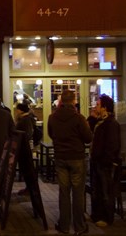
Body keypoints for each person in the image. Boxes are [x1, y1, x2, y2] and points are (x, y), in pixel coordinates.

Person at [48, 90, 93, 235]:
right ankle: (79, 226)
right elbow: (88, 138)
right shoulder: (79, 118)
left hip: (60, 157)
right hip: (77, 157)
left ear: (61, 101)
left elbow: (51, 134)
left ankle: (64, 225)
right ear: (74, 101)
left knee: (64, 192)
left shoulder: (52, 118)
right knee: (78, 193)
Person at [90, 94, 121, 228]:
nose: (95, 106)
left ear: (104, 108)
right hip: (97, 160)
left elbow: (112, 144)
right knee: (98, 190)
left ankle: (107, 217)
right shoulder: (100, 121)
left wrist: (107, 160)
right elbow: (88, 129)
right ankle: (97, 215)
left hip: (104, 163)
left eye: (98, 104)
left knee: (105, 191)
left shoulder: (111, 123)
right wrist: (92, 117)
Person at [15, 102, 35, 196]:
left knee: (27, 169)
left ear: (21, 110)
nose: (16, 111)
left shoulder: (25, 120)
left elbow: (27, 134)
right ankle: (29, 188)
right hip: (24, 147)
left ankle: (30, 189)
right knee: (26, 169)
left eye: (17, 109)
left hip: (25, 148)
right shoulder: (25, 119)